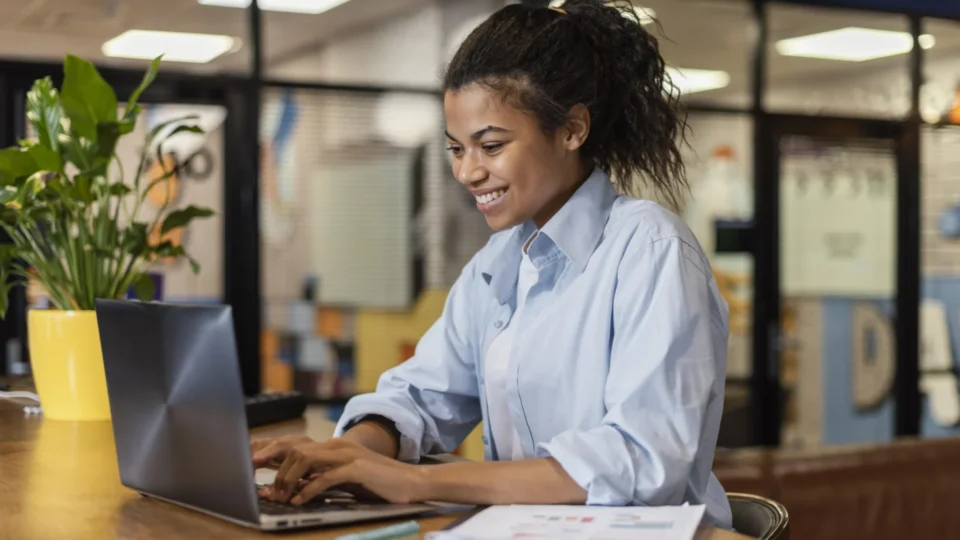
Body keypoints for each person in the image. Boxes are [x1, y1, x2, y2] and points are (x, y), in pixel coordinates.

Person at [252, 0, 732, 528]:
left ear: (572, 129)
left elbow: (641, 461)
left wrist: (417, 482)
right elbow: (421, 395)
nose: (468, 172)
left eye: (491, 145)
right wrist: (353, 453)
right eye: (457, 149)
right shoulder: (498, 262)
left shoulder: (651, 250)